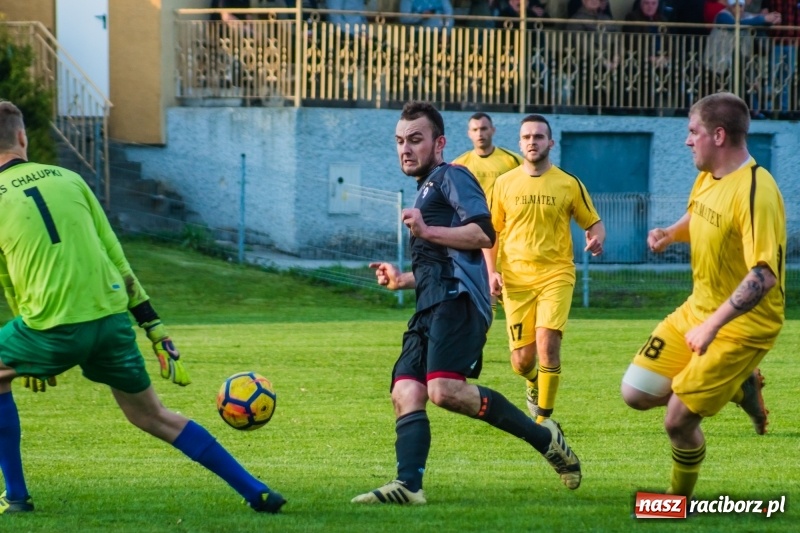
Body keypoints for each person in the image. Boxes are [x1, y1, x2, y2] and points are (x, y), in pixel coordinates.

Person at [0, 101, 285, 515]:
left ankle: (17, 497)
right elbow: (115, 254)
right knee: (153, 415)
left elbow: (7, 278)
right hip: (113, 324)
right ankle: (255, 489)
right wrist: (154, 327)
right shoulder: (70, 178)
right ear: (23, 138)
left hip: (52, 328)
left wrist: (26, 342)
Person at [351, 101, 582, 505]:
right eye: (400, 141)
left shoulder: (452, 176)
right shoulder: (425, 190)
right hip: (431, 303)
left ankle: (544, 437)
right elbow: (439, 260)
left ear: (439, 143)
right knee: (405, 391)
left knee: (443, 390)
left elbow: (483, 233)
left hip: (458, 302)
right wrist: (402, 279)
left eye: (416, 140)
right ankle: (409, 486)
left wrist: (426, 229)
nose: (406, 148)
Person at [620, 92, 786, 498]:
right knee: (636, 393)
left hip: (742, 327)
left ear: (718, 134)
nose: (687, 140)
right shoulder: (708, 174)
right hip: (698, 309)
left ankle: (677, 501)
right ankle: (740, 386)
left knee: (677, 420)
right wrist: (669, 233)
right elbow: (699, 213)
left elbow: (764, 275)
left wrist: (713, 326)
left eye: (692, 132)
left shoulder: (756, 192)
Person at [486, 114, 606, 424]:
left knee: (548, 343)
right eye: (527, 137)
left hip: (556, 274)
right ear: (519, 143)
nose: (532, 141)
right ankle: (531, 382)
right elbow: (491, 233)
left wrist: (596, 239)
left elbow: (593, 223)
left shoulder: (568, 183)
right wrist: (491, 271)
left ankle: (544, 422)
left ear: (550, 142)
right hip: (516, 278)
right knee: (522, 361)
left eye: (539, 136)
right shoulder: (504, 183)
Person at [452, 113, 522, 317]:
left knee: (513, 299)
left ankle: (519, 335)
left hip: (508, 240)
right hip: (476, 240)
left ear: (493, 130)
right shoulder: (460, 164)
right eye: (475, 130)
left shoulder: (511, 161)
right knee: (485, 295)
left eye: (484, 128)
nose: (480, 133)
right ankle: (484, 333)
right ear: (469, 134)